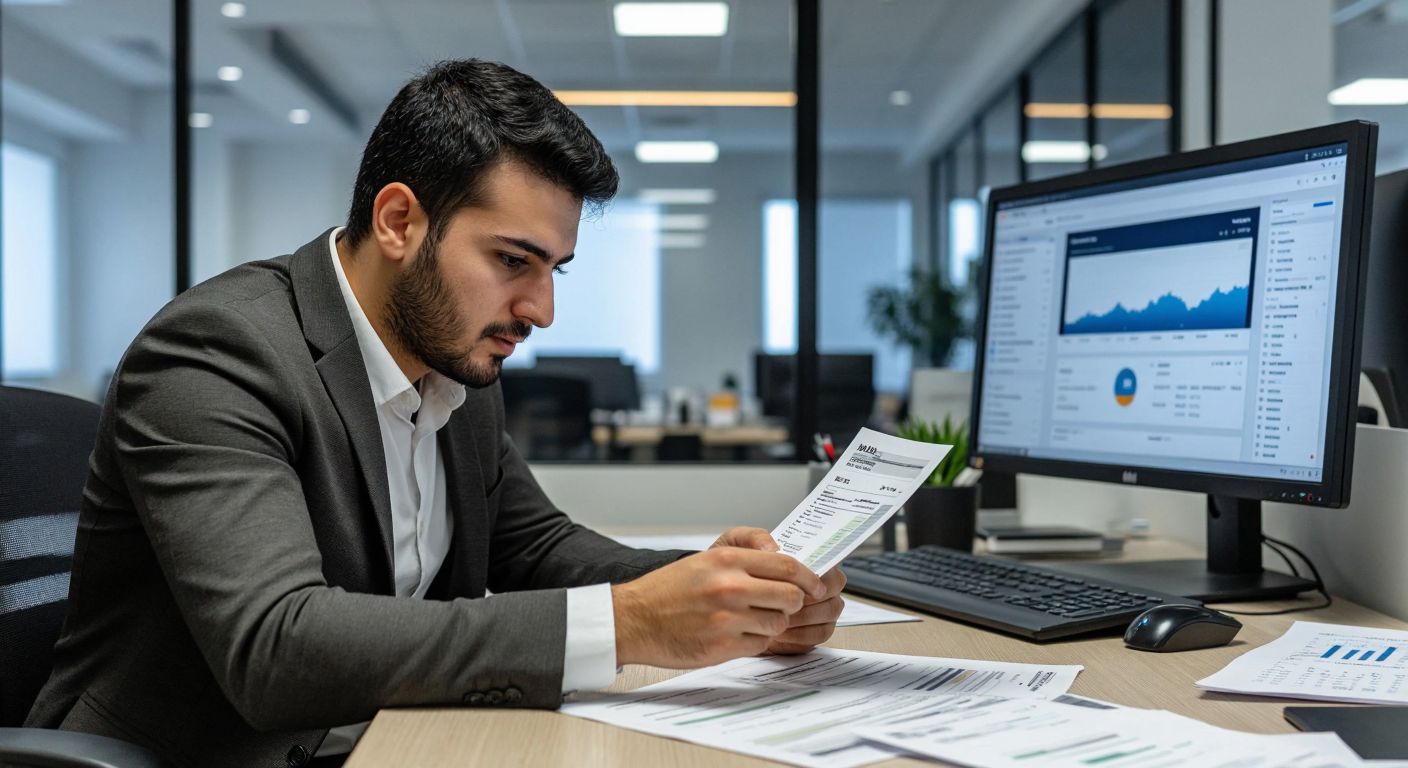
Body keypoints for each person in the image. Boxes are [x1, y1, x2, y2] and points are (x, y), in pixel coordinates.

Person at [25, 59, 845, 768]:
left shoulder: (455, 357)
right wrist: (633, 623)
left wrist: (725, 595)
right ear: (398, 221)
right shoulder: (217, 352)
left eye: (555, 267)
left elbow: (536, 547)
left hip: (391, 739)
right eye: (512, 261)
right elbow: (277, 646)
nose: (542, 308)